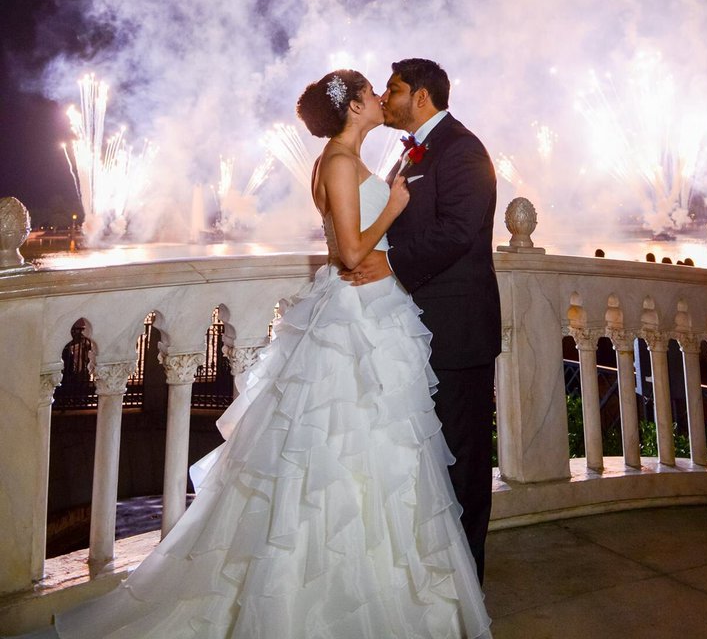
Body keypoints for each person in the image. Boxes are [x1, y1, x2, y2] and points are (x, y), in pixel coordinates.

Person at [37, 69, 490, 639]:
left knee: (356, 455)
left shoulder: (335, 160)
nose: (381, 98)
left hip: (365, 312)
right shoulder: (342, 162)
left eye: (387, 89)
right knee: (350, 451)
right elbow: (351, 252)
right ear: (353, 107)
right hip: (356, 313)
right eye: (373, 92)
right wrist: (395, 207)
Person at [342, 58, 500, 584]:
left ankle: (466, 587)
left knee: (463, 464)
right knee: (428, 463)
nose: (385, 98)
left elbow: (459, 230)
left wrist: (388, 262)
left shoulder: (462, 149)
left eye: (394, 90)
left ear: (423, 97)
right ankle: (432, 580)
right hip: (416, 333)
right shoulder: (408, 154)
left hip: (457, 335)